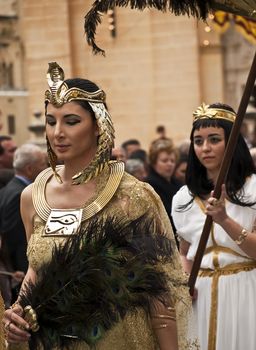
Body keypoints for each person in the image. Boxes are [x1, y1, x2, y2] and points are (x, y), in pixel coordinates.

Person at [2, 62, 199, 350]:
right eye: (50, 121)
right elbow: (37, 268)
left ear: (98, 125)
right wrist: (18, 315)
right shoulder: (32, 196)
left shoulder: (132, 196)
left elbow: (159, 295)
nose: (57, 132)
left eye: (71, 121)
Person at [172, 102, 256, 350]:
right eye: (198, 141)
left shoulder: (253, 189)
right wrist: (184, 278)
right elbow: (184, 252)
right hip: (202, 294)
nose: (205, 148)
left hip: (246, 290)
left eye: (214, 139)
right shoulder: (183, 198)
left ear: (231, 143)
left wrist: (224, 220)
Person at [0, 144, 47, 275]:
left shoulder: (7, 188)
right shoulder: (20, 194)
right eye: (43, 164)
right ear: (30, 169)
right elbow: (17, 239)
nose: (47, 168)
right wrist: (23, 270)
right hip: (22, 270)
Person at [145, 139, 182, 246]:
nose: (169, 164)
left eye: (172, 161)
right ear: (154, 162)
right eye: (165, 161)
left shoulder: (178, 185)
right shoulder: (149, 185)